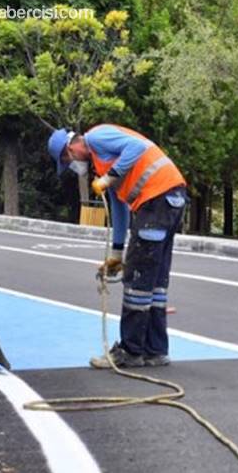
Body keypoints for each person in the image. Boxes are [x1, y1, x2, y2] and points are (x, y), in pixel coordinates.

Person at [47, 124, 188, 368]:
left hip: (156, 200)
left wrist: (109, 177)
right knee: (154, 281)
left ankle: (130, 351)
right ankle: (155, 350)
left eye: (68, 159)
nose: (72, 164)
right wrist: (116, 254)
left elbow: (137, 146)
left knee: (137, 280)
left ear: (71, 147)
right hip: (170, 199)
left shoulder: (96, 136)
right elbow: (120, 210)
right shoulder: (102, 164)